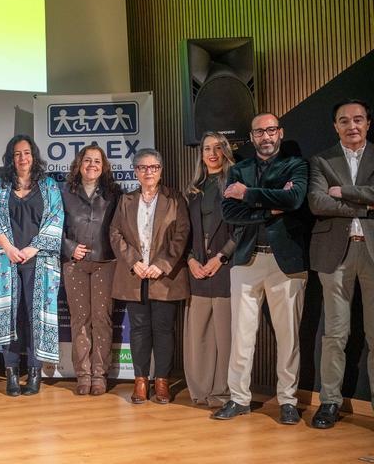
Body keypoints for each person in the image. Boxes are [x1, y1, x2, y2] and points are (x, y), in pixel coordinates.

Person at [214, 113, 309, 425]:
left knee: (288, 337)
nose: (265, 136)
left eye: (270, 130)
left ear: (280, 132)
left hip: (286, 262)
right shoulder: (238, 169)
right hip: (246, 260)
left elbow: (293, 200)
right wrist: (269, 209)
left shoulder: (296, 165)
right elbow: (230, 212)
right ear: (252, 136)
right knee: (241, 336)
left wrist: (248, 195)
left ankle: (288, 401)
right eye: (259, 132)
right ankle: (239, 398)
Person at [0, 134, 63, 397]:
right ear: (11, 159)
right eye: (17, 154)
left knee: (36, 318)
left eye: (26, 153)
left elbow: (56, 219)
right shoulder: (0, 186)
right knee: (9, 316)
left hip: (40, 261)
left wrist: (31, 248)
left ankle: (35, 372)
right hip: (6, 261)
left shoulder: (48, 185)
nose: (22, 158)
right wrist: (9, 249)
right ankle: (12, 373)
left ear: (33, 156)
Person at [308, 99, 374, 429]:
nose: (352, 126)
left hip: (371, 253)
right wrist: (365, 206)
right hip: (335, 254)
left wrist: (344, 191)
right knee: (334, 334)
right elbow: (318, 203)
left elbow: (334, 197)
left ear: (368, 123)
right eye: (344, 120)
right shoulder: (321, 160)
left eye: (358, 119)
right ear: (335, 126)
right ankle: (330, 402)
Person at [110, 148, 190, 404]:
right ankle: (141, 381)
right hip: (135, 276)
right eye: (143, 167)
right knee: (139, 330)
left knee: (164, 330)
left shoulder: (175, 199)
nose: (148, 172)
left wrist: (163, 264)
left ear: (160, 171)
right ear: (135, 171)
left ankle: (162, 381)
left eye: (153, 167)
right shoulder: (126, 200)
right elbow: (115, 233)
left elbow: (182, 234)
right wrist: (134, 261)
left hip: (165, 277)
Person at [61, 145, 121, 396]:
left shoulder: (114, 193)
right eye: (88, 160)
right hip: (74, 264)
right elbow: (54, 227)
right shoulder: (64, 192)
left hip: (105, 263)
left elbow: (120, 228)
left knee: (102, 320)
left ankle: (99, 375)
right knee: (80, 320)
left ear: (103, 166)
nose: (92, 165)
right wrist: (69, 247)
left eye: (97, 161)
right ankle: (83, 375)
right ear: (79, 164)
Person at [183, 132, 236, 407]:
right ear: (201, 154)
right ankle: (200, 391)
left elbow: (243, 229)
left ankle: (223, 392)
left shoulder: (236, 184)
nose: (212, 154)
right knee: (199, 334)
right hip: (198, 268)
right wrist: (190, 260)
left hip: (226, 267)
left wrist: (222, 257)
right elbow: (184, 232)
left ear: (226, 151)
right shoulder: (194, 190)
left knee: (226, 335)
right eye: (206, 149)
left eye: (217, 148)